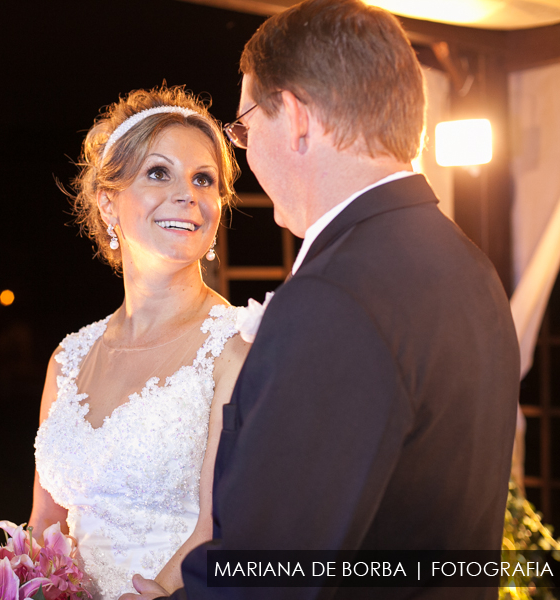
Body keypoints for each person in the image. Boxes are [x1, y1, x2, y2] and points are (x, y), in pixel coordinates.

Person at [126, 1, 520, 599]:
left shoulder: (334, 299)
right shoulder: (469, 266)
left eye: (245, 127)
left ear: (297, 118)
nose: (246, 153)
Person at [30, 86, 252, 600]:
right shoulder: (68, 359)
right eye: (158, 173)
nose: (187, 194)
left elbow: (218, 529)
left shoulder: (235, 347)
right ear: (108, 202)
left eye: (204, 179)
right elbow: (44, 523)